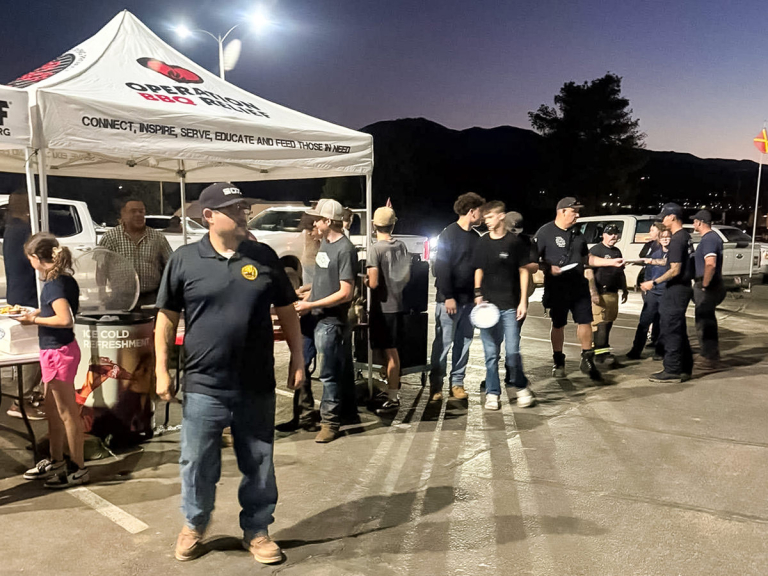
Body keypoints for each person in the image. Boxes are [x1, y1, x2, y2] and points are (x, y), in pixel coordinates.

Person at [154, 182, 304, 564]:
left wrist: (298, 359)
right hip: (204, 384)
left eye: (243, 207)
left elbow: (287, 310)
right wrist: (161, 370)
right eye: (233, 208)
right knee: (197, 462)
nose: (243, 213)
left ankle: (257, 530)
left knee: (259, 462)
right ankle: (194, 524)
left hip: (256, 383)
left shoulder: (263, 256)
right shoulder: (185, 259)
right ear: (208, 216)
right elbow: (166, 318)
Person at [19, 233, 87, 488]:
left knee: (67, 413)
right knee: (52, 410)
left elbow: (65, 319)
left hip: (59, 352)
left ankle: (78, 468)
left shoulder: (53, 285)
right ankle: (56, 459)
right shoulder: (62, 280)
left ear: (36, 258)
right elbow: (58, 309)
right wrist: (35, 313)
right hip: (56, 351)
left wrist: (34, 320)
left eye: (30, 259)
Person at [533, 197, 624, 381]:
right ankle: (558, 360)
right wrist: (548, 268)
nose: (577, 215)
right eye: (574, 211)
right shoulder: (545, 232)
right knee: (558, 324)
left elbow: (587, 258)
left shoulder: (577, 233)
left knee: (585, 321)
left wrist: (610, 262)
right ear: (562, 211)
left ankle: (587, 359)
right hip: (557, 286)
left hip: (578, 286)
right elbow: (534, 261)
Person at [294, 198, 359, 443]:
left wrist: (310, 304)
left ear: (328, 221)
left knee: (329, 374)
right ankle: (313, 416)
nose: (314, 223)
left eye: (318, 219)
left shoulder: (345, 249)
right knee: (309, 366)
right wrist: (308, 292)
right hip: (316, 316)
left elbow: (346, 293)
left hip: (330, 321)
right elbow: (325, 281)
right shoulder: (325, 245)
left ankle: (330, 423)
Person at [473, 201, 535, 409]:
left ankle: (521, 387)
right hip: (488, 308)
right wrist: (478, 293)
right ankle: (492, 393)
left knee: (512, 352)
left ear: (501, 216)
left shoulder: (513, 242)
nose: (487, 221)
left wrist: (523, 301)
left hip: (510, 306)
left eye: (490, 217)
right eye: (485, 218)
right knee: (491, 354)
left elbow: (523, 271)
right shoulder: (483, 242)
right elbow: (479, 269)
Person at [429, 192, 486, 401]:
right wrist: (448, 296)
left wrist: (478, 295)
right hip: (449, 301)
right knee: (443, 344)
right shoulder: (448, 234)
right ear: (471, 211)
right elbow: (441, 267)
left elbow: (478, 268)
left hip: (469, 301)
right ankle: (436, 385)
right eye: (480, 212)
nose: (482, 216)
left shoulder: (475, 238)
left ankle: (457, 383)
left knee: (464, 342)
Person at [275, 214, 324, 433]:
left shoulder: (325, 249)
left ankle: (309, 416)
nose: (308, 234)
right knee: (301, 362)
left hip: (317, 312)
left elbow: (328, 283)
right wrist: (304, 290)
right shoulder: (311, 248)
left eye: (309, 229)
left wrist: (309, 298)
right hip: (309, 310)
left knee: (308, 363)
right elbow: (317, 282)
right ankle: (303, 415)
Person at [640, 202, 694, 382]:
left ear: (672, 217)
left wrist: (653, 282)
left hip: (676, 289)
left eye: (664, 217)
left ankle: (672, 370)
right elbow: (672, 262)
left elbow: (675, 269)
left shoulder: (677, 239)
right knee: (679, 329)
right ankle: (685, 367)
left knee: (670, 329)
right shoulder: (685, 236)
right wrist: (651, 262)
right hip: (683, 288)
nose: (662, 221)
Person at [3, 188, 45, 420]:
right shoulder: (22, 230)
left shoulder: (12, 228)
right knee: (33, 350)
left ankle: (29, 396)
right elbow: (33, 260)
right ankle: (22, 400)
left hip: (20, 294)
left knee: (32, 347)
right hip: (28, 296)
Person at [366, 206, 411, 414]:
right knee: (390, 351)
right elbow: (407, 276)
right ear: (393, 225)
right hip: (399, 304)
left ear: (374, 225)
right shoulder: (401, 246)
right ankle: (390, 389)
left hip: (383, 307)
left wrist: (365, 280)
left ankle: (393, 397)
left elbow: (373, 282)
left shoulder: (375, 249)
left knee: (390, 353)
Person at [99, 198, 173, 309]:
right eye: (133, 211)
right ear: (123, 214)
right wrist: (102, 291)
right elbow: (101, 268)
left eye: (141, 211)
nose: (138, 215)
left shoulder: (158, 238)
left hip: (150, 298)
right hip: (119, 299)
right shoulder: (109, 237)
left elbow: (170, 265)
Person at [588, 224, 628, 365]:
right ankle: (600, 355)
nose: (614, 236)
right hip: (600, 293)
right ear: (603, 235)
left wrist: (624, 289)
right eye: (610, 233)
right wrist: (593, 292)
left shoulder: (617, 251)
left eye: (616, 234)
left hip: (612, 293)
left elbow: (620, 272)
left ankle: (602, 351)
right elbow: (588, 272)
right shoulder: (596, 250)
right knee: (600, 324)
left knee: (609, 322)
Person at [690, 209, 725, 369]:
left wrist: (704, 284)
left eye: (694, 221)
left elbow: (710, 264)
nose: (693, 224)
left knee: (705, 322)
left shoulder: (710, 239)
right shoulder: (711, 238)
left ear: (700, 222)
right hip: (710, 285)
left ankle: (709, 358)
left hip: (708, 286)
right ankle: (708, 354)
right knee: (706, 320)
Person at [628, 224, 669, 359]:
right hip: (653, 293)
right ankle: (636, 350)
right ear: (659, 239)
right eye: (663, 237)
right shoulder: (655, 253)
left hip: (666, 293)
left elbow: (670, 265)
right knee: (644, 322)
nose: (665, 239)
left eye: (668, 237)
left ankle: (660, 351)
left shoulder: (673, 254)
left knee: (663, 323)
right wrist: (646, 286)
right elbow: (648, 272)